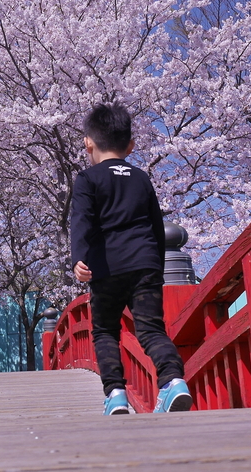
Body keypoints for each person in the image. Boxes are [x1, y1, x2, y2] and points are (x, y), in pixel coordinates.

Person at [71, 102, 192, 415]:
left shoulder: (87, 178)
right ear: (131, 145)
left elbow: (82, 220)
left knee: (105, 331)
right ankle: (173, 382)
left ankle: (116, 395)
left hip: (106, 266)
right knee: (151, 330)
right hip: (145, 264)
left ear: (88, 142)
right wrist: (158, 268)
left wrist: (79, 258)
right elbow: (155, 225)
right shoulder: (141, 178)